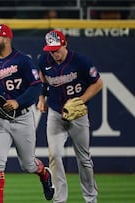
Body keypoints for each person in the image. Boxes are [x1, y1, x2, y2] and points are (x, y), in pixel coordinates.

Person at [0, 23, 55, 203]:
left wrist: (18, 101)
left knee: (28, 165)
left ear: (6, 38)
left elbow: (37, 86)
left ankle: (44, 174)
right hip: (0, 118)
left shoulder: (23, 60)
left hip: (22, 117)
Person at [37, 30, 103, 203]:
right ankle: (60, 200)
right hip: (55, 112)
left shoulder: (80, 61)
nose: (54, 53)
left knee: (83, 158)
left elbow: (98, 83)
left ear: (65, 44)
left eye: (57, 49)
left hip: (77, 114)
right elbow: (43, 79)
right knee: (55, 155)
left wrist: (80, 101)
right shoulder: (44, 60)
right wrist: (42, 98)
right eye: (51, 50)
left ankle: (91, 199)